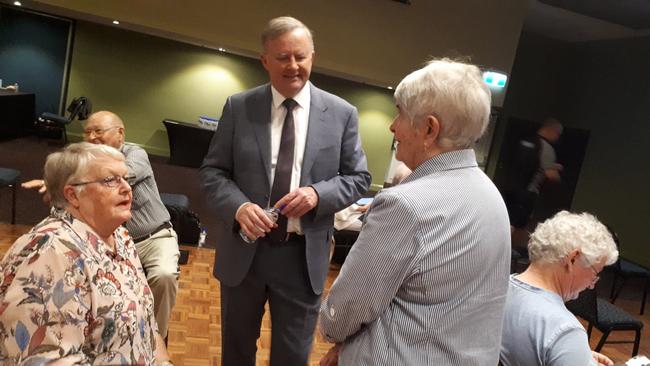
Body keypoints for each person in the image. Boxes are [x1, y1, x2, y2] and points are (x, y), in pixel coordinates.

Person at [199, 16, 371, 366]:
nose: (293, 66)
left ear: (313, 57)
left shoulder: (341, 114)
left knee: (292, 357)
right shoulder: (239, 107)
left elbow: (358, 178)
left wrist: (317, 196)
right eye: (282, 58)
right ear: (264, 60)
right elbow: (213, 172)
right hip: (243, 254)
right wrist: (239, 207)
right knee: (236, 352)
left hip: (301, 257)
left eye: (301, 57)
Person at [318, 58, 511, 365]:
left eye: (400, 113)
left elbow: (347, 310)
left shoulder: (405, 205)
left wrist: (331, 329)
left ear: (429, 129)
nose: (393, 126)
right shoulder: (492, 197)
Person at [0, 142, 173, 365]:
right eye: (110, 180)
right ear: (73, 195)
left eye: (126, 179)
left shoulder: (120, 237)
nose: (127, 188)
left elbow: (146, 322)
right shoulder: (50, 252)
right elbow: (46, 360)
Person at [21, 111, 180, 338]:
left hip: (153, 237)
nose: (92, 136)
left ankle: (154, 339)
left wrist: (61, 182)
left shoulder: (135, 154)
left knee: (164, 275)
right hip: (110, 243)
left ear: (120, 133)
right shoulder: (79, 171)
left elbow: (112, 176)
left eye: (98, 131)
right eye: (87, 132)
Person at [500, 211, 617, 366]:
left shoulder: (498, 290)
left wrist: (575, 355)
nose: (591, 284)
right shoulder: (564, 330)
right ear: (573, 259)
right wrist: (570, 348)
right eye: (595, 273)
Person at [504, 118, 563, 232]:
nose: (557, 137)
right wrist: (559, 176)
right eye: (558, 134)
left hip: (509, 189)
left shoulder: (524, 140)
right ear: (552, 130)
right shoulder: (547, 148)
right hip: (528, 193)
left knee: (506, 221)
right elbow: (550, 174)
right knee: (517, 228)